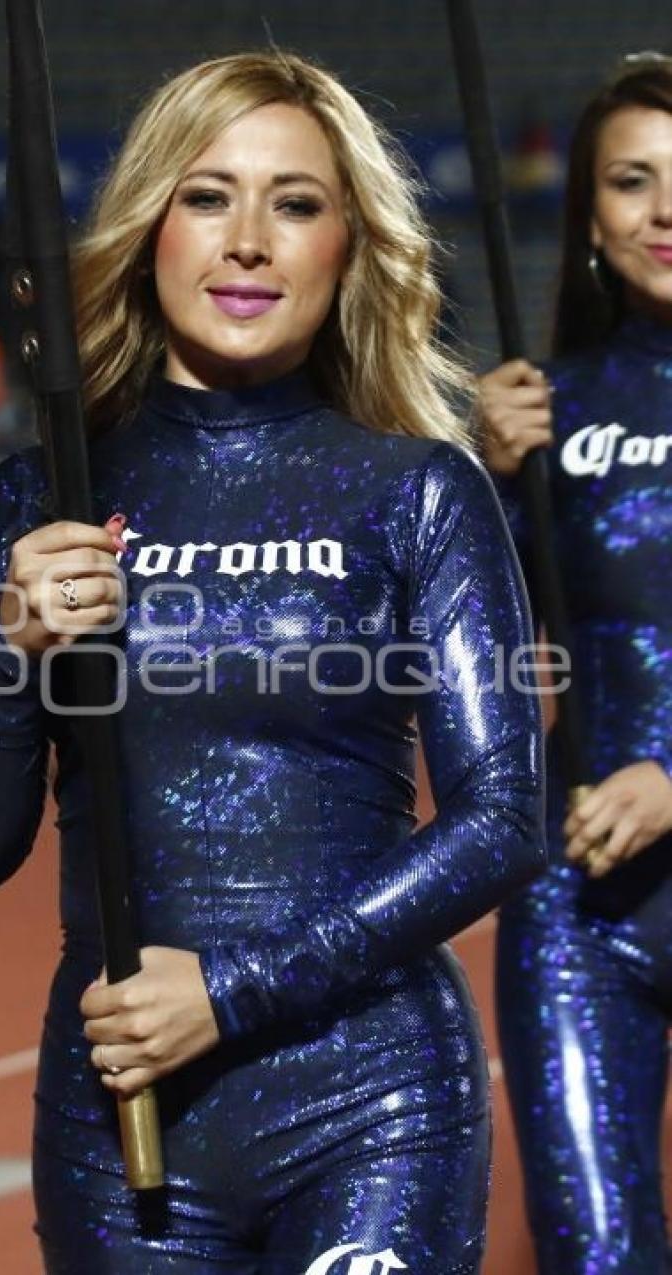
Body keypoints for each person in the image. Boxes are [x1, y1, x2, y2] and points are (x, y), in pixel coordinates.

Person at [0, 51, 543, 1274]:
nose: (248, 239)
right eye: (207, 195)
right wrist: (9, 655)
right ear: (149, 225)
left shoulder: (416, 489)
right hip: (124, 1122)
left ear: (348, 247)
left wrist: (234, 991)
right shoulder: (39, 500)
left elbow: (503, 819)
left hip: (375, 1106)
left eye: (295, 203)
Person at [479, 55, 672, 1275]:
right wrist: (490, 485)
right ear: (591, 219)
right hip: (579, 904)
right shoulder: (543, 406)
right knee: (594, 1254)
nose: (664, 211)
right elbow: (473, 656)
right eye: (631, 181)